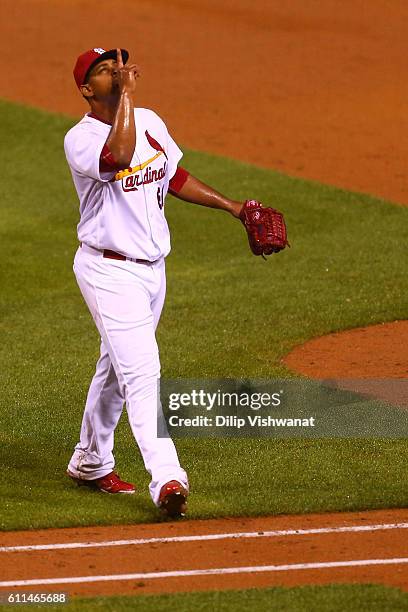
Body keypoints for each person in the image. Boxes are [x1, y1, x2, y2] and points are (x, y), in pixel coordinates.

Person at [64, 47, 244, 518]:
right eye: (106, 71)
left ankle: (90, 460)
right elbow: (118, 155)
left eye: (120, 66)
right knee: (143, 373)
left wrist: (233, 208)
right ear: (86, 89)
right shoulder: (80, 139)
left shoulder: (150, 120)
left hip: (152, 271)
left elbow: (175, 174)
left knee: (116, 370)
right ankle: (167, 477)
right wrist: (126, 98)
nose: (118, 73)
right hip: (108, 269)